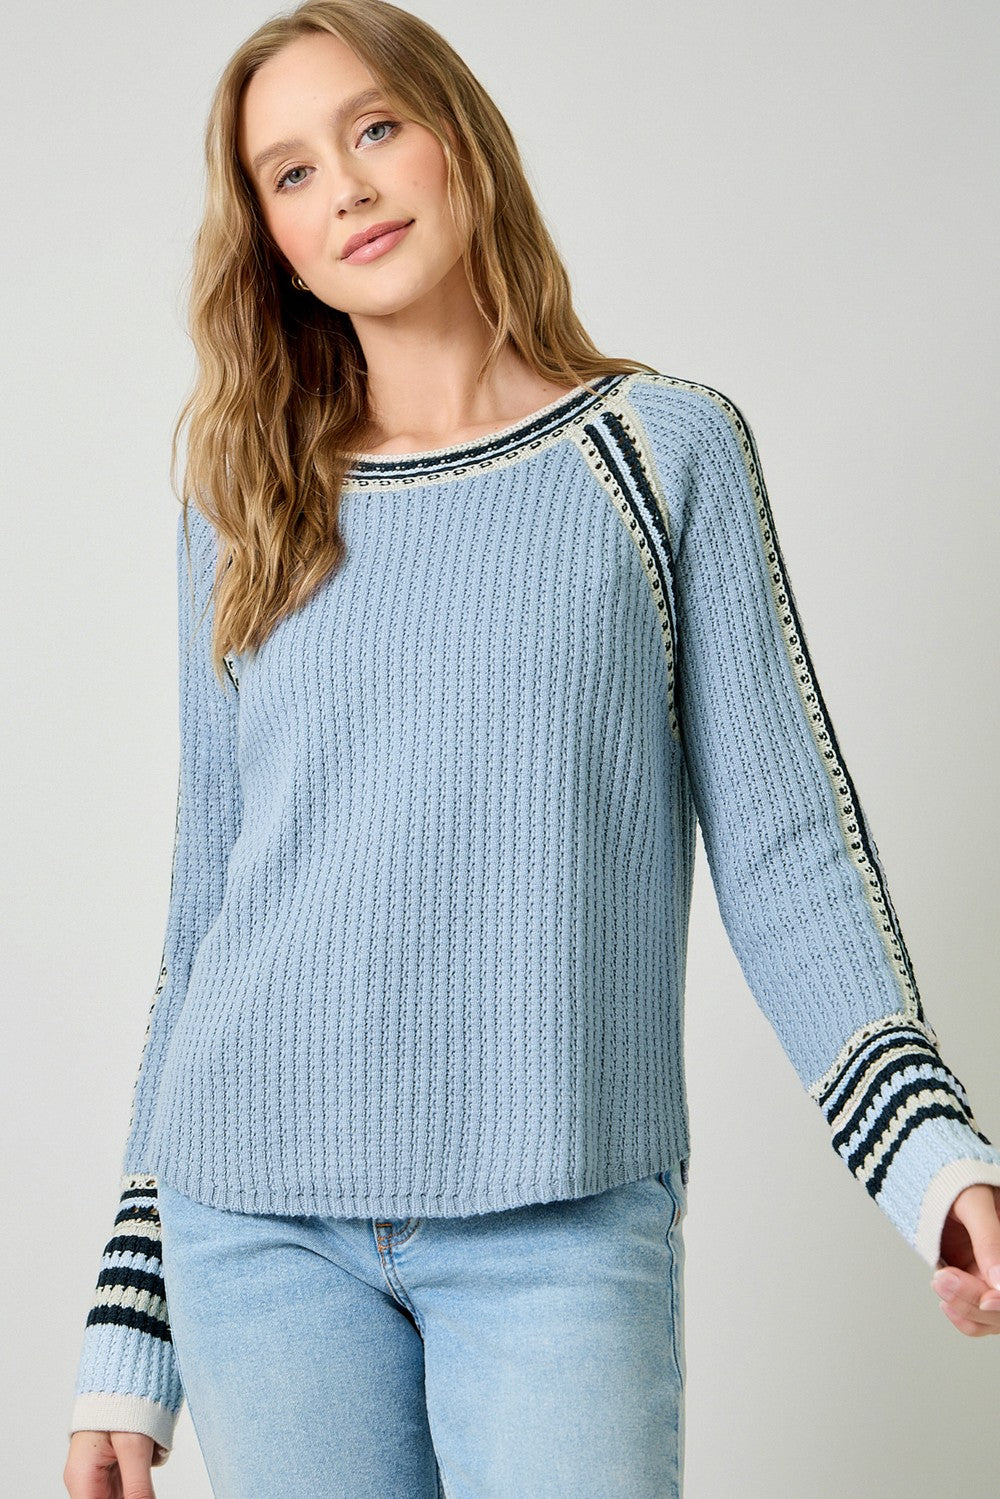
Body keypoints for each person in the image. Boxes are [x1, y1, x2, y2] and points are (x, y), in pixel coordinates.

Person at [63, 2, 1000, 1496]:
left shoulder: (661, 453)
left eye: (374, 129)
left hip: (561, 1221)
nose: (347, 188)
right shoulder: (245, 502)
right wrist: (131, 1331)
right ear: (272, 244)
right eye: (291, 173)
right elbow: (209, 910)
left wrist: (936, 1164)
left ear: (459, 141)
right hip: (255, 1233)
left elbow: (790, 856)